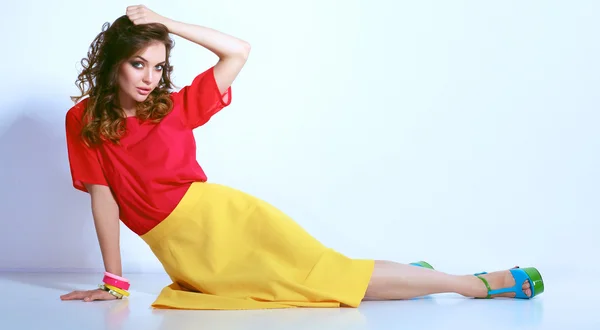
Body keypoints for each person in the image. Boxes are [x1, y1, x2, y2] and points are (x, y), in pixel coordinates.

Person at [59, 5, 544, 309]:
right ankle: (415, 276)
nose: (148, 77)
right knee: (317, 277)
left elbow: (238, 51)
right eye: (137, 63)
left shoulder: (173, 107)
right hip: (182, 248)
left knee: (324, 277)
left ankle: (475, 285)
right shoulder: (82, 120)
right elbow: (104, 200)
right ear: (112, 65)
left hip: (223, 219)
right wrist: (115, 282)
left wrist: (169, 24)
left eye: (158, 65)